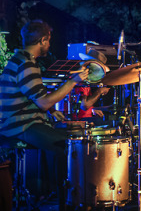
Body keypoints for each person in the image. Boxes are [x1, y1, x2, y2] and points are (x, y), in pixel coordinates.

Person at [0, 20, 88, 210]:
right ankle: (68, 200)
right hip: (20, 124)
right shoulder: (26, 64)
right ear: (43, 40)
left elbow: (32, 96)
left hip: (23, 121)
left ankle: (49, 193)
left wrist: (52, 110)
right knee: (70, 146)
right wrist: (73, 81)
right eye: (48, 41)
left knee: (66, 138)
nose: (49, 45)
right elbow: (43, 101)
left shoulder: (22, 60)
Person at [72, 48, 110, 121]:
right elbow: (84, 106)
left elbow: (81, 105)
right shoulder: (81, 81)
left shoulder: (86, 80)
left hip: (85, 118)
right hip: (80, 121)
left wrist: (92, 110)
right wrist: (99, 91)